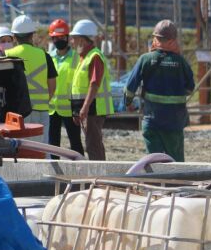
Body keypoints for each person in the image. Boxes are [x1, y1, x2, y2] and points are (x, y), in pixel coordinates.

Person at [124, 20, 194, 162]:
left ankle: (157, 183)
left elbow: (129, 88)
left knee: (154, 161)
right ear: (173, 41)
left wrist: (128, 103)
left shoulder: (145, 59)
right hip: (174, 122)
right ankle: (176, 183)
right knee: (176, 162)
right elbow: (190, 87)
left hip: (152, 120)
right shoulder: (181, 62)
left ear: (155, 39)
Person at [5, 15, 57, 144]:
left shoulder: (7, 55)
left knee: (20, 149)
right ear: (32, 35)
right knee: (43, 149)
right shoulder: (44, 56)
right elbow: (52, 85)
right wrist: (44, 100)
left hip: (17, 112)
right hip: (41, 110)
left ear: (14, 36)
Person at [70, 20, 113, 160]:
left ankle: (99, 177)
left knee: (93, 145)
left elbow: (94, 84)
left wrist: (84, 108)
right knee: (92, 144)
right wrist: (78, 110)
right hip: (89, 109)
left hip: (94, 109)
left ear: (82, 40)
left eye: (75, 38)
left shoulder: (94, 57)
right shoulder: (84, 57)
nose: (72, 41)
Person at [48, 19, 84, 157]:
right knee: (52, 146)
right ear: (52, 39)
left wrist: (78, 107)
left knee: (75, 144)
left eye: (62, 37)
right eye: (56, 38)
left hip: (71, 109)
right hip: (52, 109)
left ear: (68, 37)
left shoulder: (77, 57)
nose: (59, 40)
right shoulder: (49, 57)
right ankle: (54, 175)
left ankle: (81, 172)